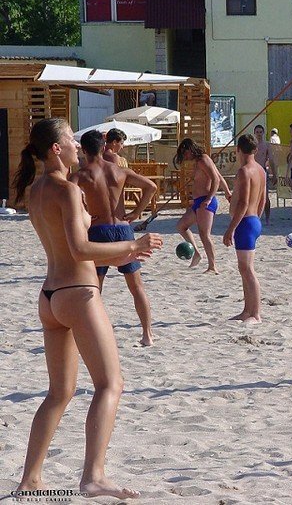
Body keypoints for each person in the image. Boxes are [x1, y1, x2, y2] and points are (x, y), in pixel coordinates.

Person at [12, 118, 162, 499]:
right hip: (78, 292)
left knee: (59, 393)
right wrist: (133, 245)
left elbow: (67, 249)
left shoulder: (37, 190)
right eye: (70, 140)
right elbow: (80, 250)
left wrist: (121, 252)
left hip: (50, 297)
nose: (77, 145)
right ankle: (93, 476)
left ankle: (30, 479)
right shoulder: (66, 189)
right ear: (56, 149)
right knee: (110, 384)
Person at [70, 130, 158, 347]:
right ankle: (147, 334)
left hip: (98, 231)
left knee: (94, 288)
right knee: (136, 287)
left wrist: (84, 212)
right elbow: (151, 187)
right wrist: (137, 212)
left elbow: (67, 199)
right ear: (104, 147)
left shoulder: (81, 175)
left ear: (83, 150)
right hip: (123, 229)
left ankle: (92, 334)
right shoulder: (120, 171)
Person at [222, 134, 266, 322]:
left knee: (247, 269)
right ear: (255, 150)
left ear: (238, 150)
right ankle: (247, 310)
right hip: (253, 220)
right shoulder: (261, 170)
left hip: (245, 222)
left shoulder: (244, 171)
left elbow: (243, 203)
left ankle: (255, 313)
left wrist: (230, 228)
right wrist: (257, 219)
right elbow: (263, 198)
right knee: (244, 268)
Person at [175, 138, 232, 273]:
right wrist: (227, 193)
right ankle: (196, 253)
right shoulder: (199, 161)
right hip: (198, 202)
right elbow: (219, 176)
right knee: (181, 226)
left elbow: (216, 179)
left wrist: (209, 198)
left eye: (185, 153)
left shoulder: (203, 159)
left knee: (204, 234)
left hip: (206, 201)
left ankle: (212, 266)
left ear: (190, 149)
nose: (185, 157)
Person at [253, 124, 277, 225]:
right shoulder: (252, 145)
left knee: (265, 196)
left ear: (263, 133)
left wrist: (274, 174)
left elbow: (271, 160)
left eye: (260, 132)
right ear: (254, 133)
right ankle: (255, 217)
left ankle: (267, 218)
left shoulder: (267, 145)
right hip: (253, 171)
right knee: (254, 196)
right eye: (257, 132)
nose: (259, 134)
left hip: (262, 170)